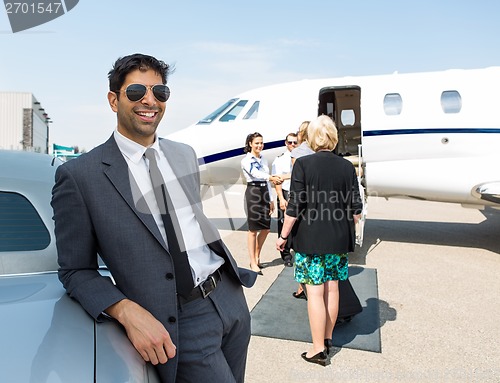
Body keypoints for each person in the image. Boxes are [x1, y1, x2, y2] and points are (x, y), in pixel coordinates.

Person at [51, 53, 257, 383]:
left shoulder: (184, 154)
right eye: (136, 92)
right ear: (113, 100)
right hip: (178, 321)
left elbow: (192, 229)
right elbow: (75, 270)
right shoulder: (80, 176)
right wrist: (125, 309)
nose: (150, 101)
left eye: (160, 92)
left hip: (229, 298)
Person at [276, 115, 362, 366]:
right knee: (332, 289)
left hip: (311, 239)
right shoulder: (347, 167)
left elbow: (294, 206)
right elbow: (356, 209)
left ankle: (317, 350)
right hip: (338, 239)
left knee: (314, 293)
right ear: (333, 138)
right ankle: (327, 339)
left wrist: (283, 237)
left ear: (312, 139)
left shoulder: (303, 164)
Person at [241, 132, 282, 274]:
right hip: (253, 193)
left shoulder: (263, 159)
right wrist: (271, 177)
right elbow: (256, 174)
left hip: (264, 192)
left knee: (266, 228)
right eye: (257, 143)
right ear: (250, 144)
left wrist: (271, 199)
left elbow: (266, 181)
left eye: (261, 143)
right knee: (253, 230)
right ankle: (253, 261)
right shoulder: (246, 160)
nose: (259, 145)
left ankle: (257, 254)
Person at [290, 121, 313, 300]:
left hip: (301, 207)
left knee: (300, 249)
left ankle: (302, 287)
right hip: (319, 207)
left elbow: (295, 182)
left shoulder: (297, 153)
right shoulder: (319, 152)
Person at [271, 132, 298, 267]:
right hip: (285, 193)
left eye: (295, 142)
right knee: (283, 224)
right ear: (285, 143)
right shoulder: (280, 160)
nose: (292, 145)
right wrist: (281, 198)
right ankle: (286, 255)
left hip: (298, 193)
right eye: (290, 142)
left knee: (297, 223)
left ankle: (298, 249)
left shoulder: (301, 157)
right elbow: (277, 181)